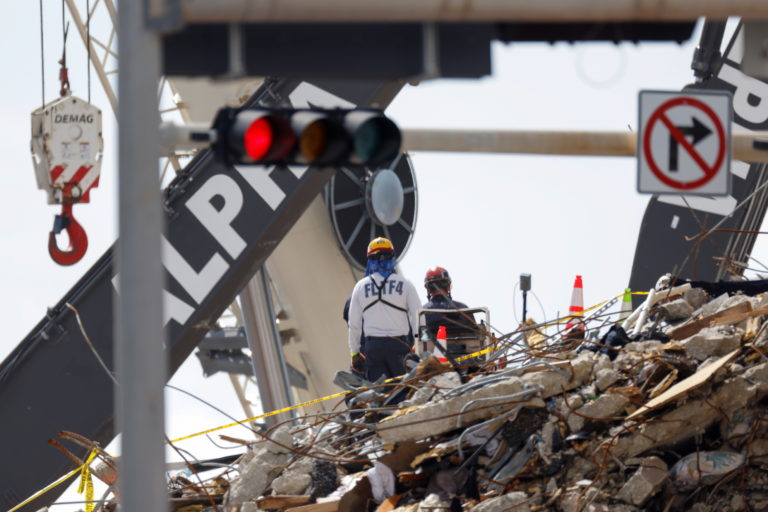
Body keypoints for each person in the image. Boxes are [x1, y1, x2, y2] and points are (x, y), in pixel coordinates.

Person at [347, 237, 421, 382]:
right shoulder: (405, 284)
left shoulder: (360, 287)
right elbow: (419, 317)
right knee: (404, 389)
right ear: (392, 257)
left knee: (382, 392)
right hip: (399, 346)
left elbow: (354, 324)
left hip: (373, 349)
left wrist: (354, 353)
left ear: (370, 259)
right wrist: (418, 348)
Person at [421, 267, 477, 340]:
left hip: (430, 350)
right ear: (448, 287)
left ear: (428, 289)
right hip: (468, 350)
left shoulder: (422, 312)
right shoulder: (463, 309)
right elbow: (474, 332)